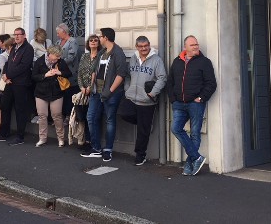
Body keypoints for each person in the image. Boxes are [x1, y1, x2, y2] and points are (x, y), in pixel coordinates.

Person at [168, 35, 217, 176]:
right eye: (192, 45)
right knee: (176, 128)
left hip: (195, 104)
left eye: (197, 44)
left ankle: (190, 165)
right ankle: (197, 158)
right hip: (179, 104)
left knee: (195, 133)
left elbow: (211, 83)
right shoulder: (177, 62)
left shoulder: (204, 62)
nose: (196, 46)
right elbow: (170, 82)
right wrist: (173, 99)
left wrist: (201, 98)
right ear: (185, 47)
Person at [82, 27, 128, 162]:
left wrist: (110, 91)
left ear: (106, 38)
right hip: (97, 92)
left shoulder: (118, 53)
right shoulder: (102, 52)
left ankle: (108, 149)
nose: (99, 39)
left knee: (109, 120)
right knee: (91, 117)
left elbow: (121, 75)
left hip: (111, 94)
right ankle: (96, 148)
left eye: (100, 36)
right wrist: (91, 85)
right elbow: (94, 71)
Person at [123, 36, 167, 166]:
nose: (144, 49)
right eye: (141, 46)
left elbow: (162, 78)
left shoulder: (156, 60)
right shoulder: (133, 59)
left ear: (149, 45)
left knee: (143, 130)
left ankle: (140, 155)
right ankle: (146, 124)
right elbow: (127, 76)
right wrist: (127, 89)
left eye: (146, 46)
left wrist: (152, 93)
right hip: (132, 98)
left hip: (147, 101)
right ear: (137, 47)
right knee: (124, 114)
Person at [0, 28, 34, 145]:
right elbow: (8, 63)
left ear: (24, 35)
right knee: (5, 106)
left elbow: (24, 66)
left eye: (19, 34)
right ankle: (3, 133)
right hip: (9, 82)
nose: (17, 36)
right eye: (15, 35)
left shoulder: (28, 49)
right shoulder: (14, 47)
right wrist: (5, 75)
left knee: (20, 110)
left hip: (21, 84)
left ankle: (20, 137)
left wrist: (9, 75)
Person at [32, 45, 72, 147]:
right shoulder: (40, 61)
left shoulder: (60, 62)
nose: (58, 58)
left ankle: (61, 139)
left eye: (59, 56)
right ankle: (42, 138)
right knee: (42, 115)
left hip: (56, 93)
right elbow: (33, 76)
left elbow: (69, 74)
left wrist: (60, 72)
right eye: (57, 56)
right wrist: (45, 75)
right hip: (41, 93)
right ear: (50, 54)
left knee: (57, 115)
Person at [75, 34, 102, 148]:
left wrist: (90, 88)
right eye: (91, 40)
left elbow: (99, 74)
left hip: (95, 91)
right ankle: (84, 140)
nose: (93, 42)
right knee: (83, 117)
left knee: (93, 118)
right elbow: (79, 73)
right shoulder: (84, 56)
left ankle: (92, 142)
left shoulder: (101, 57)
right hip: (83, 91)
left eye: (96, 40)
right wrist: (82, 87)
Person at [55, 23, 80, 124]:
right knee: (62, 95)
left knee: (70, 94)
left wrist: (59, 62)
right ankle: (61, 115)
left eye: (58, 33)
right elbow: (53, 53)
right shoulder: (58, 41)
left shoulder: (72, 41)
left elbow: (71, 57)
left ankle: (69, 116)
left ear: (64, 32)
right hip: (59, 73)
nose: (57, 35)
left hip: (70, 73)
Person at [0, 37, 14, 133]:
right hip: (5, 81)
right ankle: (0, 124)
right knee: (2, 104)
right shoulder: (3, 55)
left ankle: (2, 125)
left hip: (13, 81)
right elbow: (2, 68)